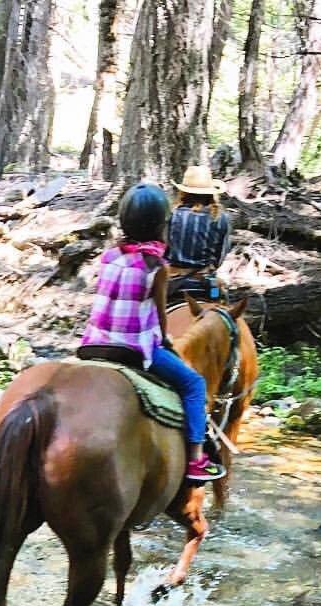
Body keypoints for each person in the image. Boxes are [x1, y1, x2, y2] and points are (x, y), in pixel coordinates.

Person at [80, 182, 227, 483]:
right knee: (194, 384)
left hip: (93, 344)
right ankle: (197, 459)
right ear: (162, 225)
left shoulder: (108, 257)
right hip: (132, 350)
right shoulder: (157, 266)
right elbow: (159, 318)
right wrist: (168, 344)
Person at [166, 164, 231, 302]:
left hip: (171, 283)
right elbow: (219, 259)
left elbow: (164, 250)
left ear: (183, 192)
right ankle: (217, 302)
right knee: (222, 303)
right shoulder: (220, 218)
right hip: (207, 283)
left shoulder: (172, 215)